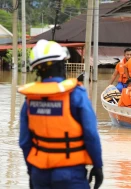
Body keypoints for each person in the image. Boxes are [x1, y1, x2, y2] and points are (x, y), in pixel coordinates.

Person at [18, 40, 103, 189]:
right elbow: (91, 134)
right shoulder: (76, 94)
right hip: (71, 173)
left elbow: (25, 142)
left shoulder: (30, 100)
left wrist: (32, 172)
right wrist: (98, 165)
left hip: (39, 173)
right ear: (61, 64)